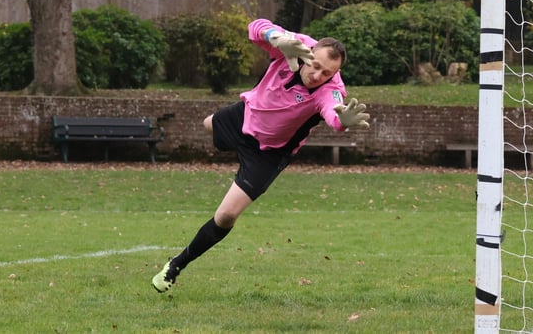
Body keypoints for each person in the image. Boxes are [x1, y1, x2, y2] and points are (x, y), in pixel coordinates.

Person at [152, 18, 370, 293]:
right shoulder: (295, 45)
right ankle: (224, 127)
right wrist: (274, 37)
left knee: (226, 216)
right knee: (208, 124)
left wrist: (343, 121)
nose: (318, 75)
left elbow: (334, 114)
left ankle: (175, 265)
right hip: (245, 116)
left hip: (269, 152)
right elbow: (256, 27)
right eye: (315, 66)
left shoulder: (330, 90)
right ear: (310, 54)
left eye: (327, 73)